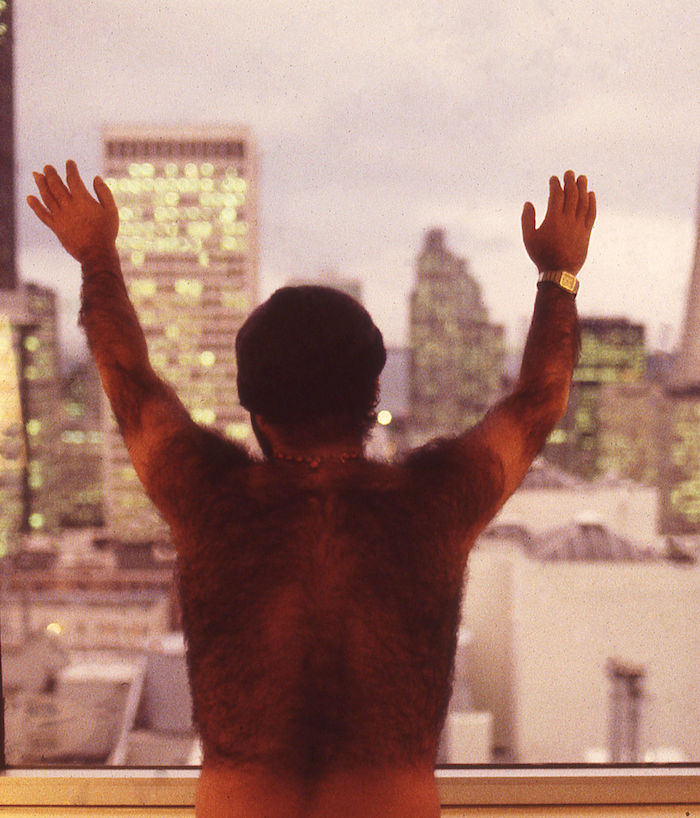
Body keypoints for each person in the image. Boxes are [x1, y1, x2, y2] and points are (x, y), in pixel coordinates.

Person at [28, 163, 595, 818]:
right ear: (373, 391)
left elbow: (130, 380)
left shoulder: (209, 500)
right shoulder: (431, 505)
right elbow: (537, 400)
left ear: (253, 406)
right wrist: (558, 273)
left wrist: (96, 256)